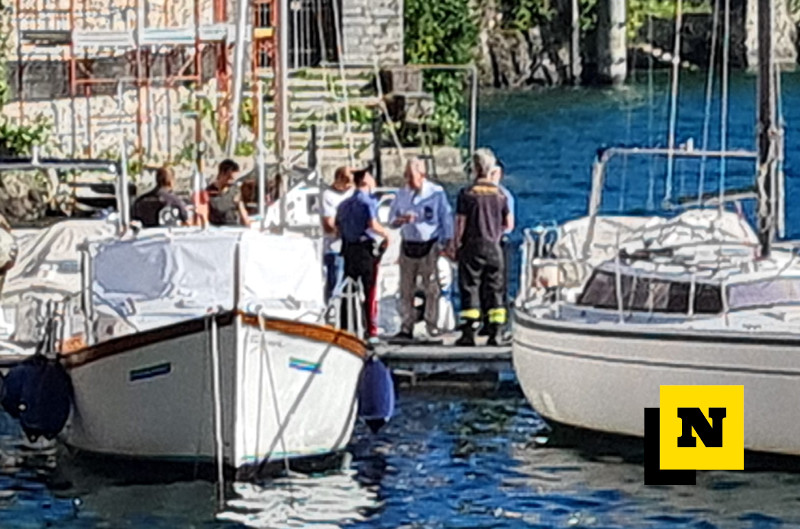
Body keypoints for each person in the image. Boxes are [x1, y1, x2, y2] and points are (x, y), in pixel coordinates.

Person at [389, 157, 453, 341]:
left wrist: (448, 242)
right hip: (408, 244)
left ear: (422, 175)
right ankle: (406, 325)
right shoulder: (401, 194)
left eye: (412, 176)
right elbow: (391, 220)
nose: (409, 181)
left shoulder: (436, 193)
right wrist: (402, 220)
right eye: (406, 176)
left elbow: (446, 218)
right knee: (406, 288)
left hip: (429, 245)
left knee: (431, 288)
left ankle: (432, 325)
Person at [454, 148, 513, 346]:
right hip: (494, 247)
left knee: (470, 287)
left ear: (475, 168)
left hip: (472, 245)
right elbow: (508, 224)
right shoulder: (501, 195)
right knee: (495, 289)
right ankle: (496, 332)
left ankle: (469, 332)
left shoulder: (467, 194)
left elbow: (460, 223)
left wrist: (455, 244)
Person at [335, 168, 391, 344]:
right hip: (365, 249)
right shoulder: (367, 202)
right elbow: (372, 224)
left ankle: (346, 326)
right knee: (370, 290)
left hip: (349, 248)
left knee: (349, 288)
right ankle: (371, 330)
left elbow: (337, 227)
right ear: (365, 180)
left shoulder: (343, 205)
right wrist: (386, 234)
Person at [479, 159, 515, 336]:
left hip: (499, 243)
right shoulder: (479, 194)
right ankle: (485, 322)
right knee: (482, 285)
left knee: (499, 285)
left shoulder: (503, 195)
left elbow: (509, 224)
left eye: (495, 174)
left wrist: (495, 233)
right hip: (482, 242)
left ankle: (500, 325)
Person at [321, 166, 355, 303]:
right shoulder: (327, 195)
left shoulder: (352, 193)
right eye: (347, 182)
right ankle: (330, 307)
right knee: (335, 281)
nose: (349, 186)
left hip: (352, 246)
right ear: (339, 179)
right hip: (335, 247)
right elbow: (329, 225)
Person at [196, 159, 251, 227]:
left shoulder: (235, 190)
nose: (232, 182)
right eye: (229, 178)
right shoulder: (209, 191)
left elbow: (242, 209)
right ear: (222, 174)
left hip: (232, 226)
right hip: (214, 227)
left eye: (234, 179)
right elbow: (203, 212)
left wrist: (248, 224)